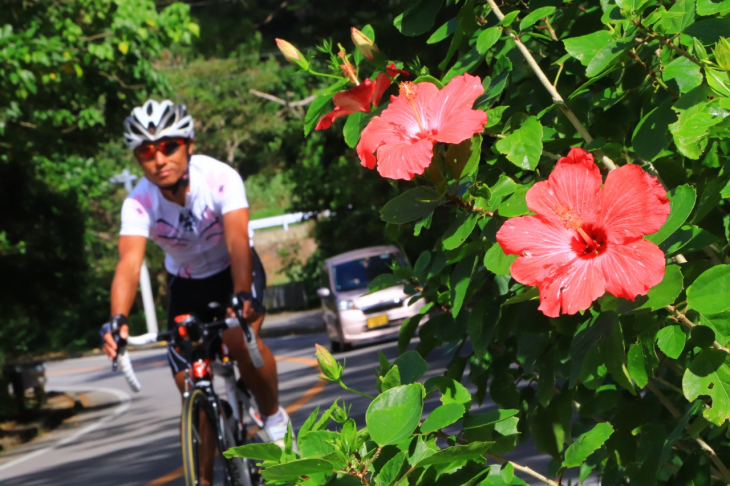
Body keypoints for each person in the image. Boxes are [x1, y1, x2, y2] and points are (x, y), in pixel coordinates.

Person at [100, 100, 291, 449]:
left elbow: (237, 242)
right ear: (137, 159)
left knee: (237, 341)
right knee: (189, 383)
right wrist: (118, 318)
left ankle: (274, 416)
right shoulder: (138, 203)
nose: (159, 160)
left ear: (188, 144)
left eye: (169, 146)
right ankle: (205, 469)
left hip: (233, 270)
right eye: (146, 152)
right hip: (186, 285)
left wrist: (242, 294)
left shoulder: (219, 178)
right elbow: (129, 263)